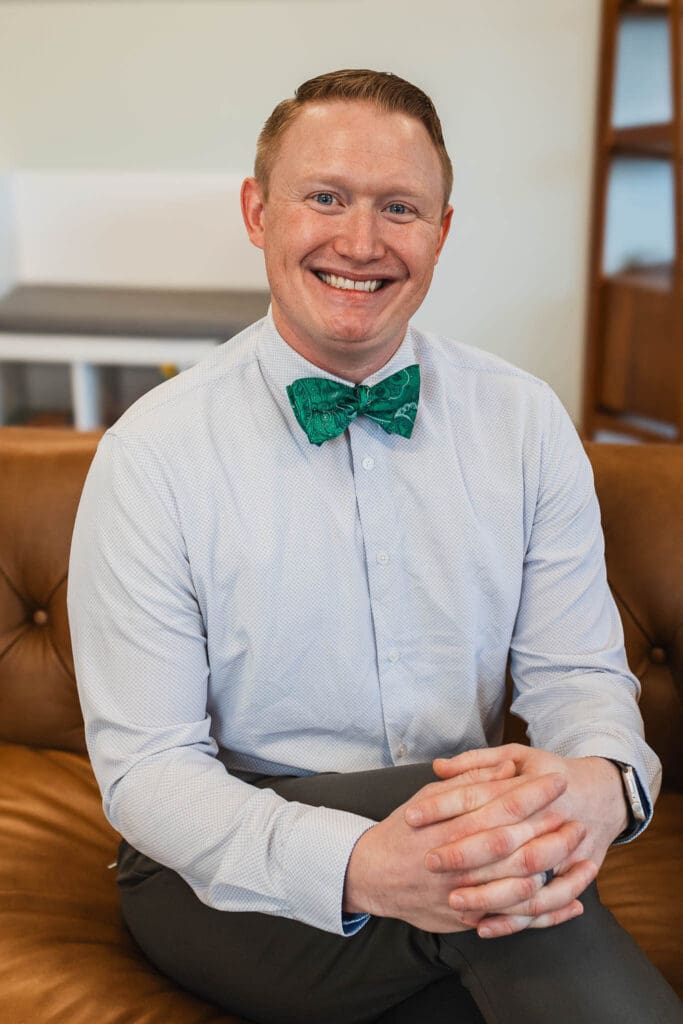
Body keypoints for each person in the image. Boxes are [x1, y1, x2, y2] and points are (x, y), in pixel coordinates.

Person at [67, 69, 683, 1024]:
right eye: (325, 197)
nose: (360, 243)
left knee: (492, 896)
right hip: (218, 868)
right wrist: (360, 863)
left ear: (440, 231)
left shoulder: (521, 421)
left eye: (399, 207)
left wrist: (605, 782)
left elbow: (575, 678)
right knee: (494, 853)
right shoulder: (151, 455)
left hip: (468, 840)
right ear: (257, 210)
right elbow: (151, 774)